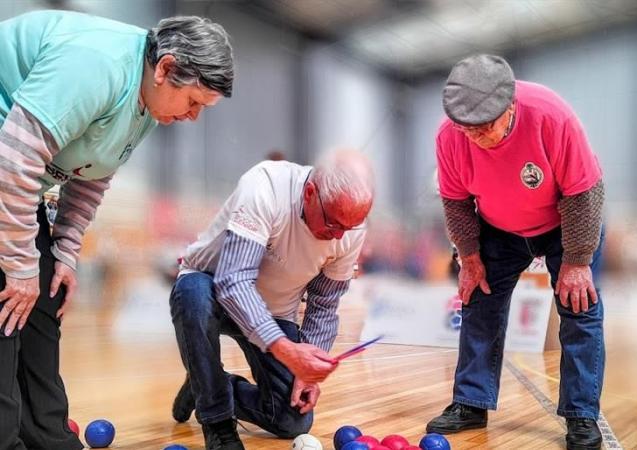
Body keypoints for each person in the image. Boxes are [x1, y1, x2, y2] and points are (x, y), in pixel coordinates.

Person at [0, 10, 234, 450]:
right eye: (194, 102)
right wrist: (16, 266)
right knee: (7, 305)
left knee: (45, 297)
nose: (193, 117)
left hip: (15, 178)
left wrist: (65, 253)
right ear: (165, 68)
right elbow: (13, 162)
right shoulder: (96, 65)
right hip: (7, 164)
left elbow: (92, 176)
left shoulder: (147, 103)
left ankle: (48, 437)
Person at [427, 54, 605, 450]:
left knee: (579, 308)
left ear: (510, 108)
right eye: (466, 129)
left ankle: (581, 414)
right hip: (498, 227)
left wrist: (577, 262)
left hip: (566, 219)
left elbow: (583, 193)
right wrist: (469, 259)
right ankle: (470, 402)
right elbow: (456, 203)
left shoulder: (551, 116)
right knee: (478, 301)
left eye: (485, 127)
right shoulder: (449, 137)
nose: (476, 137)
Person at [169, 150, 374, 450]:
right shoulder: (264, 186)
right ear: (309, 192)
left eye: (348, 227)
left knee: (292, 420)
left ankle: (207, 382)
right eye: (333, 224)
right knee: (192, 294)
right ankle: (218, 422)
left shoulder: (349, 228)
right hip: (212, 287)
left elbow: (324, 304)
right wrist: (287, 350)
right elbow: (234, 282)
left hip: (276, 312)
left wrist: (309, 374)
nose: (338, 236)